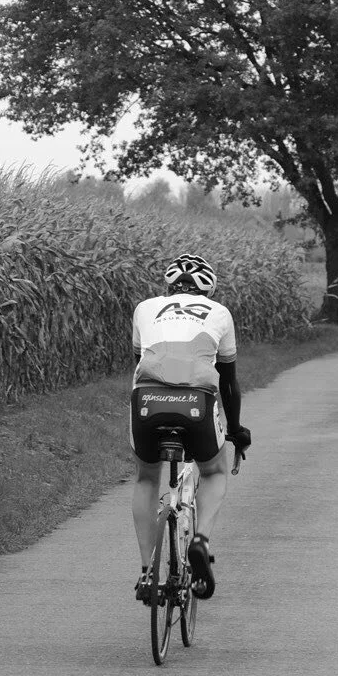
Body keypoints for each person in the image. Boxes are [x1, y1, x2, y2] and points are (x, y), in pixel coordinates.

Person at [130, 253, 252, 601]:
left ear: (168, 286)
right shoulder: (220, 313)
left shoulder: (145, 308)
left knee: (146, 476)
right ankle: (199, 540)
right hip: (197, 402)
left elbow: (139, 364)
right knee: (213, 471)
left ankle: (146, 574)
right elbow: (228, 383)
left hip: (147, 401)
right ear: (209, 289)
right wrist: (236, 430)